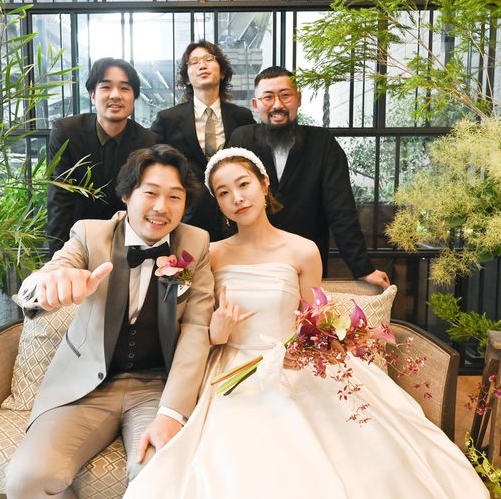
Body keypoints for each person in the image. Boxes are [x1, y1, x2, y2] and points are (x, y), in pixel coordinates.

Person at [124, 147, 488, 499]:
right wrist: (216, 334)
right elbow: (191, 322)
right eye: (223, 192)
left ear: (263, 183)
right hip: (230, 368)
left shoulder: (302, 250)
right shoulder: (211, 253)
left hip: (292, 364)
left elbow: (314, 318)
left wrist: (309, 344)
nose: (237, 198)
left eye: (243, 184)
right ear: (217, 203)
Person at [6, 145, 215, 498]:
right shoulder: (90, 234)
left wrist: (171, 413)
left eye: (174, 197)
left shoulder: (195, 244)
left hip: (156, 387)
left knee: (160, 476)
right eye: (151, 193)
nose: (161, 207)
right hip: (84, 387)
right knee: (27, 478)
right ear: (127, 194)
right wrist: (46, 285)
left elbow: (196, 330)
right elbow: (54, 270)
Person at [228, 65, 390, 288]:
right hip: (253, 261)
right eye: (268, 97)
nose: (277, 105)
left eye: (285, 95)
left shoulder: (323, 143)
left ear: (298, 98)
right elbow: (227, 200)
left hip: (307, 260)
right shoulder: (241, 140)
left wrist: (363, 268)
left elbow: (341, 210)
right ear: (256, 104)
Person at [46, 57, 157, 254]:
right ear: (92, 95)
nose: (115, 95)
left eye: (124, 88)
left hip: (128, 245)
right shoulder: (66, 133)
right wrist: (58, 257)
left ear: (134, 97)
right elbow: (59, 201)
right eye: (106, 87)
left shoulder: (148, 142)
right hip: (76, 242)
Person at [150, 40, 255, 240]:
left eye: (209, 59)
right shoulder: (167, 119)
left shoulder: (242, 117)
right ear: (187, 78)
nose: (202, 65)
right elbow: (155, 165)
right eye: (194, 62)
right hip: (188, 217)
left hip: (236, 215)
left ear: (222, 72)